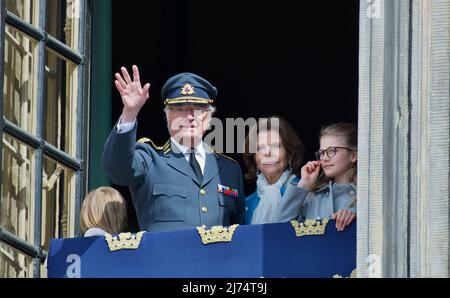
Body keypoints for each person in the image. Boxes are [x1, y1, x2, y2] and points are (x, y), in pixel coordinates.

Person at [101, 66, 245, 232]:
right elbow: (116, 170)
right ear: (167, 115)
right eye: (180, 109)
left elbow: (240, 231)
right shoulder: (150, 159)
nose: (190, 116)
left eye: (198, 109)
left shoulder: (230, 169)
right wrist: (130, 113)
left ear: (209, 116)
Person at [278, 122, 357, 231]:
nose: (324, 158)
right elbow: (280, 229)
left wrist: (356, 218)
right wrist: (304, 185)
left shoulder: (367, 196)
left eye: (331, 151)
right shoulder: (313, 197)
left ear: (353, 155)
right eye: (321, 153)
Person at [242, 116, 305, 224]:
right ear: (254, 157)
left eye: (276, 146)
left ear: (290, 153)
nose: (268, 153)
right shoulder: (245, 204)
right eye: (260, 148)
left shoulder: (306, 192)